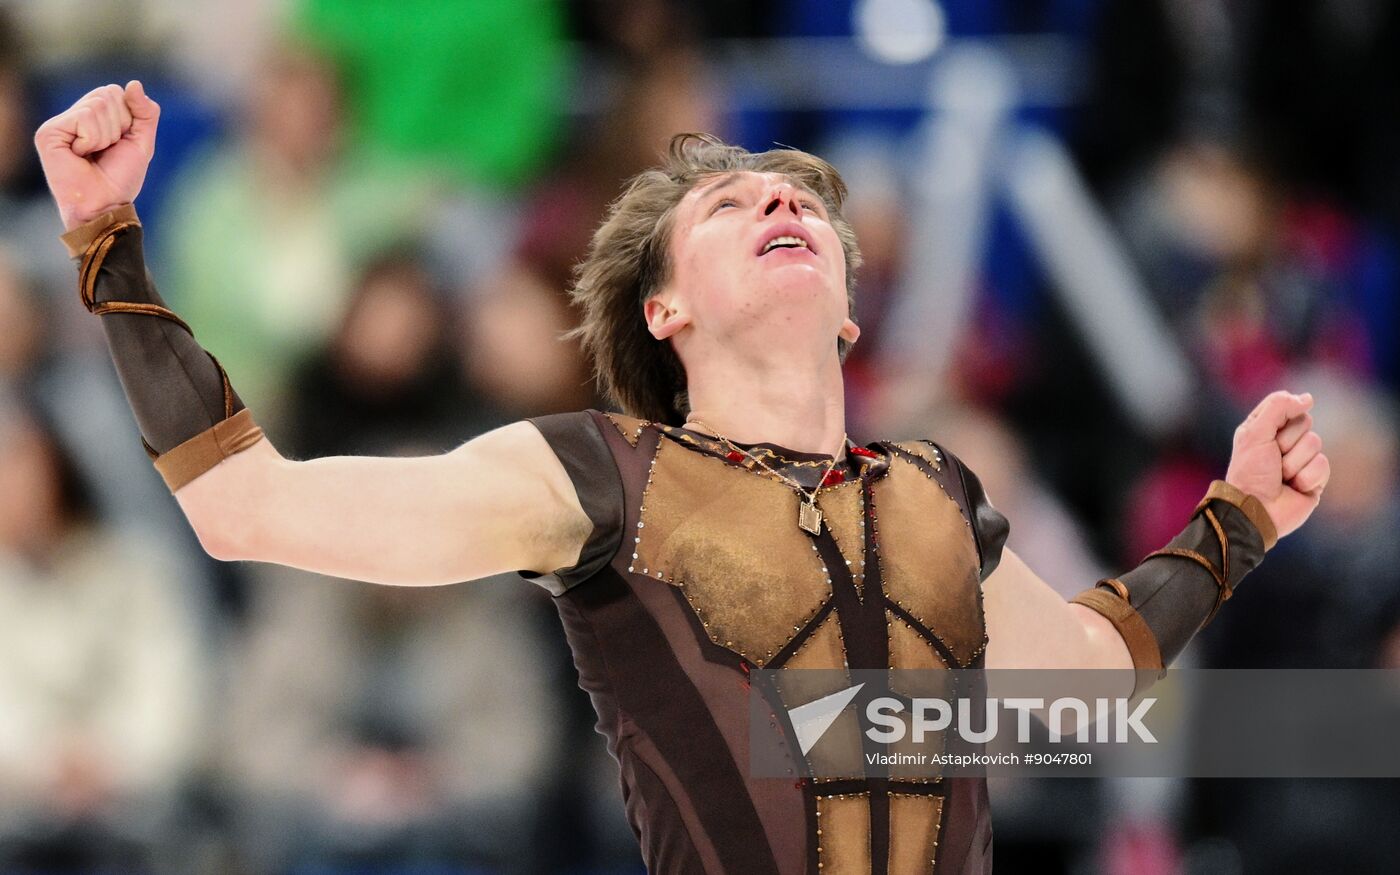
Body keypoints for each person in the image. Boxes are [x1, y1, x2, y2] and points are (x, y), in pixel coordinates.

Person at [33, 82, 1330, 874]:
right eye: (730, 209)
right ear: (663, 316)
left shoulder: (935, 491)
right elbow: (246, 508)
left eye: (803, 206)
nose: (780, 206)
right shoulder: (596, 475)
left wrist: (1240, 522)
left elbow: (1089, 681)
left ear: (845, 316)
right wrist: (104, 241)